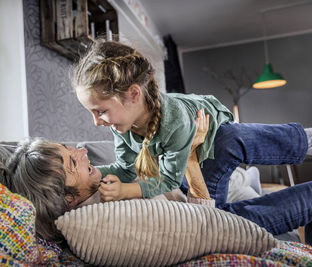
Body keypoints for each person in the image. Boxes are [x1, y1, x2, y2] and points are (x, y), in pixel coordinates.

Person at [71, 39, 312, 238]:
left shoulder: (172, 120)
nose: (96, 122)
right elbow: (125, 168)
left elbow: (167, 181)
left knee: (230, 138)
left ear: (134, 94)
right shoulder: (121, 127)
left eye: (100, 111)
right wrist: (99, 175)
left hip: (212, 135)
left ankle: (305, 141)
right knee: (228, 154)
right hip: (193, 179)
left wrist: (126, 190)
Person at [0, 110, 213, 242]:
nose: (83, 152)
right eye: (73, 162)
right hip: (201, 201)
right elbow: (203, 225)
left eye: (69, 149)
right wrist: (190, 154)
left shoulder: (99, 185)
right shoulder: (109, 215)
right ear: (68, 199)